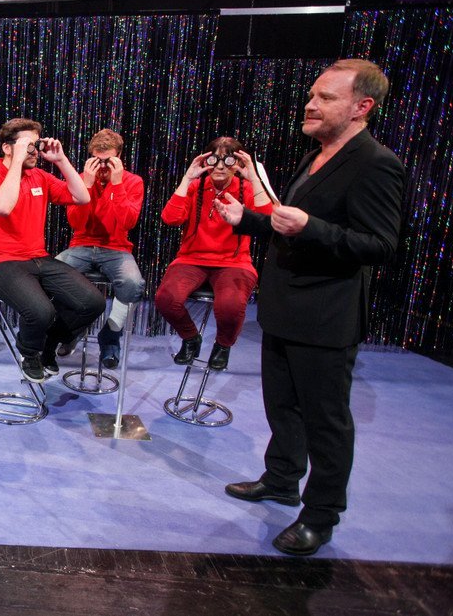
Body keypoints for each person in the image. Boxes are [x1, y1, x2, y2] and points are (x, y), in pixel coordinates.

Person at [216, 59, 405, 556]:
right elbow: (288, 222)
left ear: (362, 107)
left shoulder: (375, 163)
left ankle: (321, 515)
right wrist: (247, 220)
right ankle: (281, 479)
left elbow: (380, 244)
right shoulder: (316, 155)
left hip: (326, 316)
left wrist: (311, 228)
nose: (311, 104)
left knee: (326, 421)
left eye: (325, 97)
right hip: (285, 307)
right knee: (282, 405)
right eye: (312, 95)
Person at [0, 118, 106, 382]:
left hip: (37, 258)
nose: (35, 152)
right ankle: (29, 352)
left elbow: (81, 197)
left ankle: (48, 346)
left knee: (92, 302)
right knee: (41, 312)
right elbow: (2, 207)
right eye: (28, 145)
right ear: (7, 148)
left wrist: (61, 160)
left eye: (37, 145)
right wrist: (17, 160)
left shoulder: (40, 177)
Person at [154, 137, 273, 371]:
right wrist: (187, 178)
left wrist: (253, 178)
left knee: (230, 306)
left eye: (227, 160)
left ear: (237, 163)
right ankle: (191, 338)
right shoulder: (196, 187)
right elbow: (170, 218)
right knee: (166, 299)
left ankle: (223, 345)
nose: (220, 166)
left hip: (234, 262)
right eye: (214, 159)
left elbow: (268, 220)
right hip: (192, 258)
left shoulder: (246, 189)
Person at [54, 129, 145, 369]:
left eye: (109, 160)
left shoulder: (133, 181)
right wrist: (85, 185)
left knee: (133, 283)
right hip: (81, 245)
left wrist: (117, 184)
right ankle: (71, 330)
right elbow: (76, 223)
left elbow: (127, 222)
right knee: (48, 276)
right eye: (97, 160)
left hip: (116, 248)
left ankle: (110, 336)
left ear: (119, 157)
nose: (103, 166)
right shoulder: (80, 178)